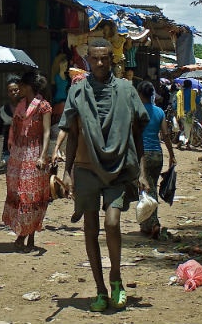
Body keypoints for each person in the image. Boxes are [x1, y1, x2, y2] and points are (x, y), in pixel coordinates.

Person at [59, 37, 149, 312]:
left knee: (112, 223)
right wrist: (66, 171)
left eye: (105, 58)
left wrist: (143, 172)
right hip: (86, 169)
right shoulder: (77, 92)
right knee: (90, 229)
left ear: (113, 59)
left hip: (119, 167)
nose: (100, 63)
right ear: (88, 59)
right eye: (95, 58)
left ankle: (116, 280)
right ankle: (99, 289)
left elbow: (137, 134)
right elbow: (72, 134)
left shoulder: (126, 90)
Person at [2, 71, 52, 252]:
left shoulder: (43, 106)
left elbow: (46, 132)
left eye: (21, 85)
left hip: (34, 153)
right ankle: (26, 236)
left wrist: (43, 155)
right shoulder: (20, 106)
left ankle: (25, 236)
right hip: (18, 154)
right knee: (19, 194)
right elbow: (15, 129)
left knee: (31, 196)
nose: (18, 89)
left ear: (28, 86)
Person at [136, 80, 175, 239]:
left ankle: (152, 223)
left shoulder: (136, 111)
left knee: (145, 187)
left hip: (141, 154)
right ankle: (148, 222)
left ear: (139, 94)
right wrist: (172, 154)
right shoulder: (159, 112)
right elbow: (165, 135)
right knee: (151, 185)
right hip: (157, 154)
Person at [0, 75, 22, 170]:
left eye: (16, 90)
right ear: (7, 93)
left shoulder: (28, 107)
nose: (14, 92)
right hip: (8, 150)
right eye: (10, 91)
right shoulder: (4, 110)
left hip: (25, 148)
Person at [170, 79, 202, 149]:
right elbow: (197, 102)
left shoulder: (179, 93)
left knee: (183, 128)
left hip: (180, 113)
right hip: (190, 113)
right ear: (191, 85)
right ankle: (185, 142)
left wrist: (175, 111)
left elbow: (175, 104)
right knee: (188, 128)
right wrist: (199, 95)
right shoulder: (193, 93)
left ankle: (182, 142)